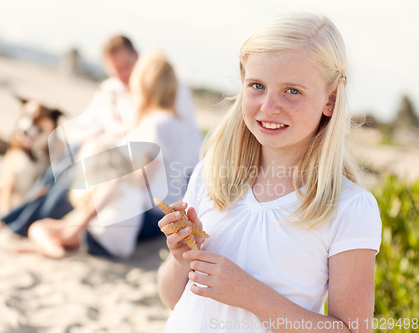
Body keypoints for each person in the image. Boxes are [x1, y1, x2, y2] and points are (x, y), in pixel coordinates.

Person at [157, 12, 382, 332]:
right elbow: (172, 299)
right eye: (257, 85)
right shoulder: (213, 175)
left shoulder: (348, 208)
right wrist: (181, 260)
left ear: (330, 100)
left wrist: (253, 296)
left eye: (292, 91)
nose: (269, 106)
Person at [28, 50, 201, 259]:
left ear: (144, 84)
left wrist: (87, 212)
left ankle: (59, 245)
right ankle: (60, 240)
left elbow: (140, 179)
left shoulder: (156, 122)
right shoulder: (180, 124)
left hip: (146, 214)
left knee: (40, 227)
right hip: (165, 215)